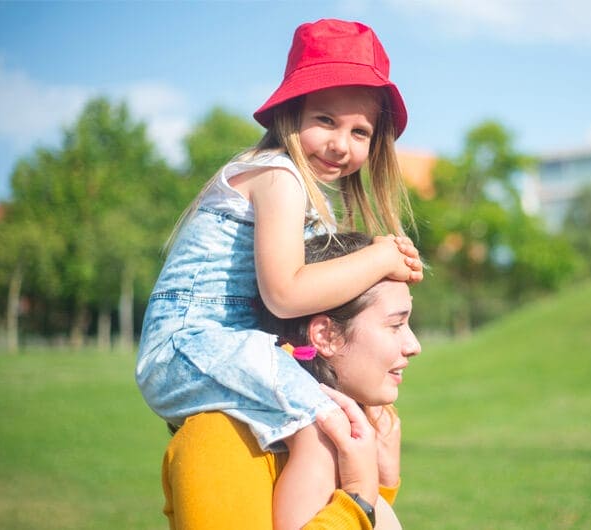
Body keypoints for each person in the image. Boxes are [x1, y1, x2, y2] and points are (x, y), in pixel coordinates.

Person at [135, 18, 423, 529]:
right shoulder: (278, 175)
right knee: (320, 427)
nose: (341, 144)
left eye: (360, 131)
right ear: (291, 114)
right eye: (325, 120)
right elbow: (287, 294)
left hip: (227, 345)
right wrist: (379, 258)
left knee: (329, 423)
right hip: (192, 343)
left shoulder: (304, 197)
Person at [162, 232, 422, 529]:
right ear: (325, 335)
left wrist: (381, 487)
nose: (414, 345)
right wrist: (359, 497)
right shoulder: (219, 440)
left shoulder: (347, 443)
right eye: (396, 324)